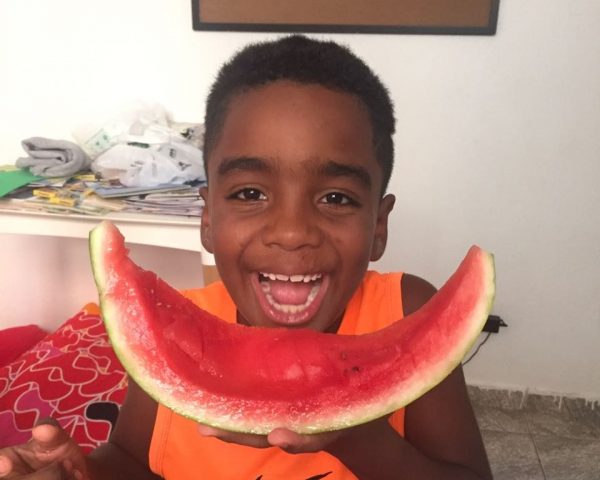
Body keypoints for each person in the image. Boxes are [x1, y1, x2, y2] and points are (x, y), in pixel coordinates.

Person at [0, 35, 492, 479]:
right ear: (207, 219)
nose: (292, 232)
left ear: (378, 226)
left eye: (336, 198)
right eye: (251, 193)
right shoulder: (174, 333)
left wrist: (357, 435)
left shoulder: (407, 309)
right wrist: (80, 472)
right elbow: (133, 464)